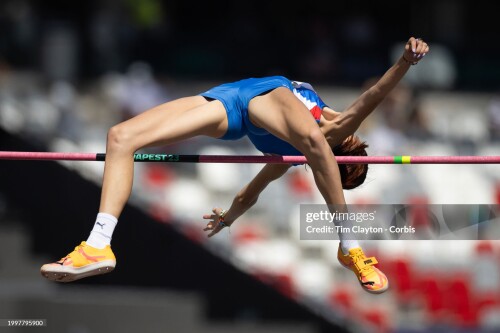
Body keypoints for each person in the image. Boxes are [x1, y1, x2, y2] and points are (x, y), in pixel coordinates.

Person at [41, 37, 429, 294]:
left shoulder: (323, 136)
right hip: (225, 97)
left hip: (239, 107)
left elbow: (373, 96)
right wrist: (227, 218)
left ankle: (350, 247)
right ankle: (98, 245)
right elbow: (249, 193)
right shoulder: (310, 139)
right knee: (120, 137)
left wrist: (405, 62)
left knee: (313, 142)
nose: (351, 135)